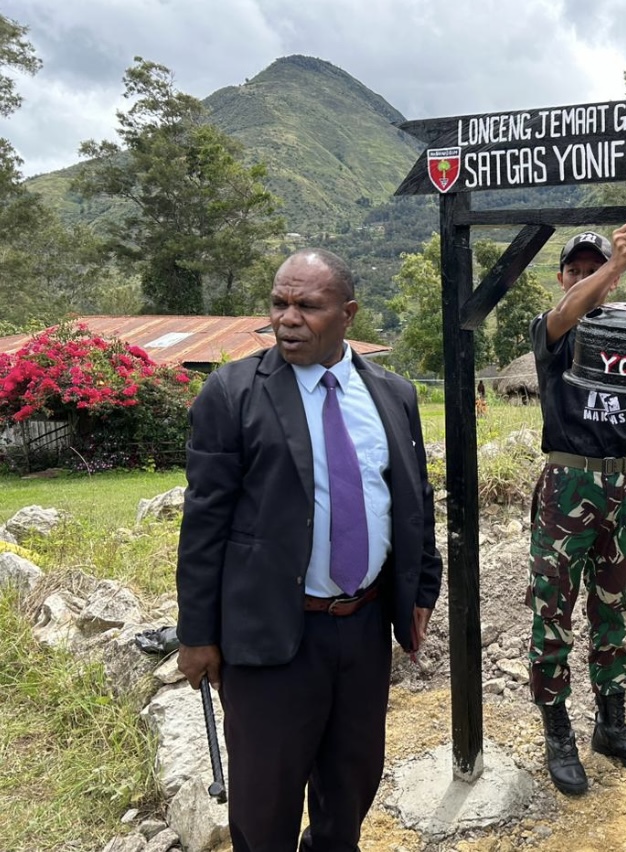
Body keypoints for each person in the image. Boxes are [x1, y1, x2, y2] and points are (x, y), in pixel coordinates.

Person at [175, 248, 443, 851]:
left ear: (347, 313)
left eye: (307, 306)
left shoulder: (393, 394)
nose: (287, 319)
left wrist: (421, 587)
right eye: (279, 303)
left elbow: (411, 497)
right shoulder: (233, 392)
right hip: (271, 634)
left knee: (350, 785)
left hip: (364, 627)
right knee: (264, 802)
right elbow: (204, 522)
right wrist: (197, 634)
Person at [527, 223, 626, 795]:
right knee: (553, 615)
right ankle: (558, 733)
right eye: (577, 270)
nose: (588, 277)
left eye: (596, 268)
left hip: (618, 488)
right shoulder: (552, 331)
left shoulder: (616, 330)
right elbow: (566, 313)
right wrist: (613, 266)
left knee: (613, 610)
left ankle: (611, 726)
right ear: (562, 278)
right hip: (567, 485)